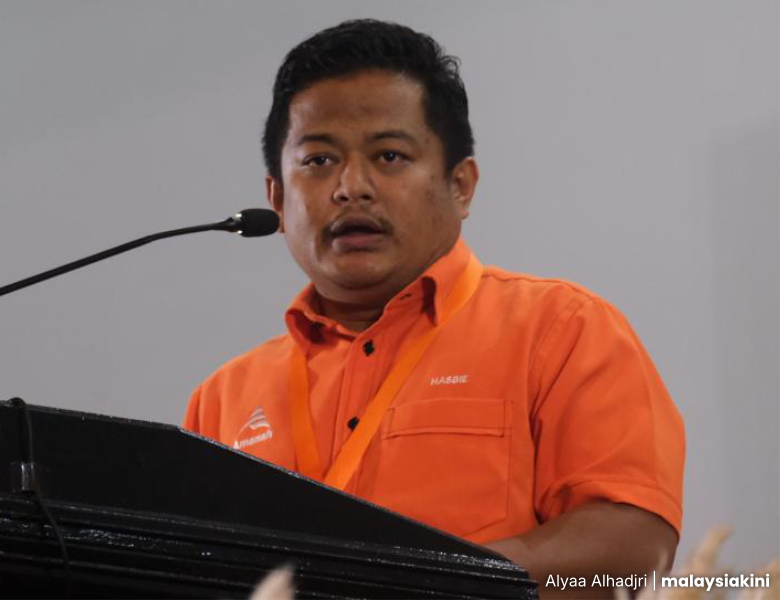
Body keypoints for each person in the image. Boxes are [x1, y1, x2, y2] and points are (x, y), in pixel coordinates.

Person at [184, 19, 684, 598]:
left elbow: (632, 548)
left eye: (389, 155)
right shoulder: (221, 401)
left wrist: (411, 585)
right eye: (318, 160)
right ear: (277, 197)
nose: (351, 187)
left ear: (461, 185)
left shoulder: (561, 329)